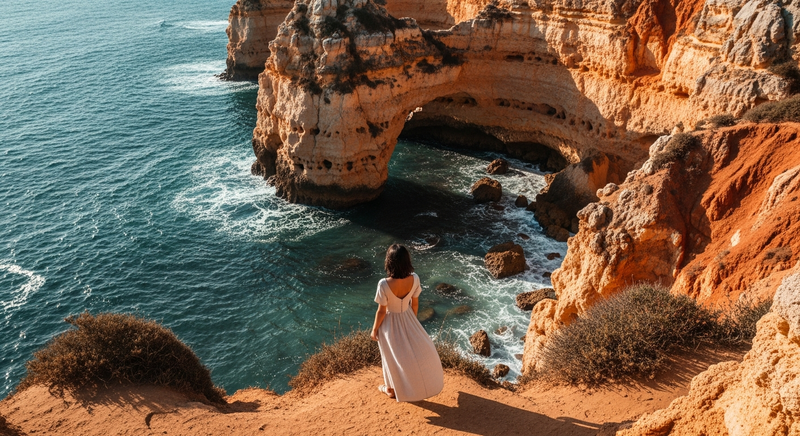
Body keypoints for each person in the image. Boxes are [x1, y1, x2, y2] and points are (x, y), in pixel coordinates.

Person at [370, 244, 444, 401]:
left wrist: (374, 329)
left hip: (389, 324)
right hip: (408, 316)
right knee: (410, 355)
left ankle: (390, 388)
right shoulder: (415, 279)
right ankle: (407, 386)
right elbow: (415, 303)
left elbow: (382, 311)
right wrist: (412, 322)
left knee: (391, 356)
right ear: (407, 261)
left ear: (389, 262)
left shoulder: (383, 284)